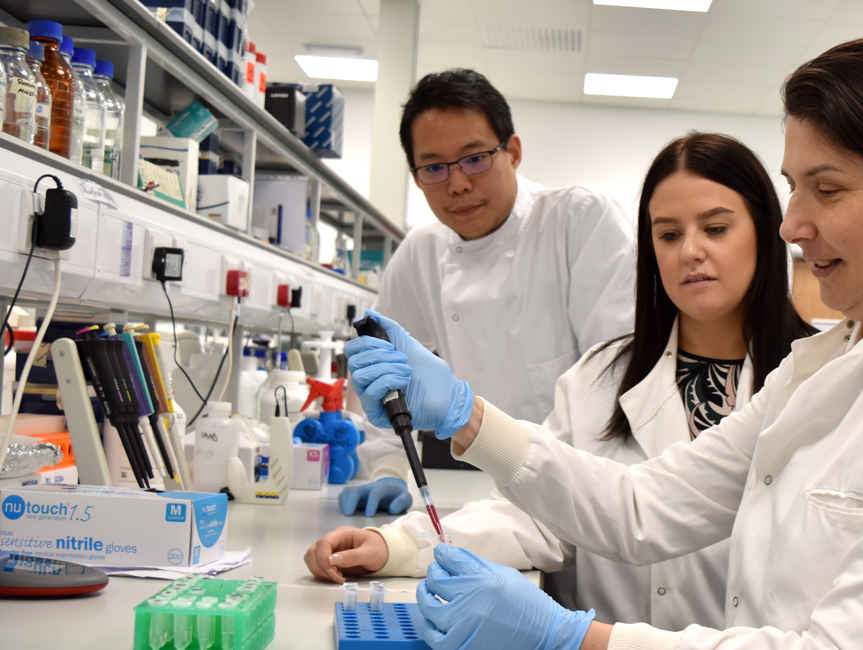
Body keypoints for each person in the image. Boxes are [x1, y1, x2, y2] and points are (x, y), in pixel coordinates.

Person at [346, 30, 863, 650]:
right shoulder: (826, 364)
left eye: (826, 190)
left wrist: (574, 638)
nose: (794, 225)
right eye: (794, 188)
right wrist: (468, 416)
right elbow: (642, 506)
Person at [304, 132, 817, 630]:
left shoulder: (819, 381)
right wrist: (399, 544)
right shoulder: (602, 376)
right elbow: (542, 516)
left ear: (767, 231)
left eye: (716, 228)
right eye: (668, 233)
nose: (690, 251)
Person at [338, 68, 637, 516]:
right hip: (492, 498)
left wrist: (546, 482)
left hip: (589, 492)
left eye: (475, 158)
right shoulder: (421, 253)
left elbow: (615, 375)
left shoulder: (578, 221)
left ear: (513, 152)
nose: (458, 183)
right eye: (435, 167)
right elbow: (379, 372)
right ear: (417, 177)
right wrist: (384, 467)